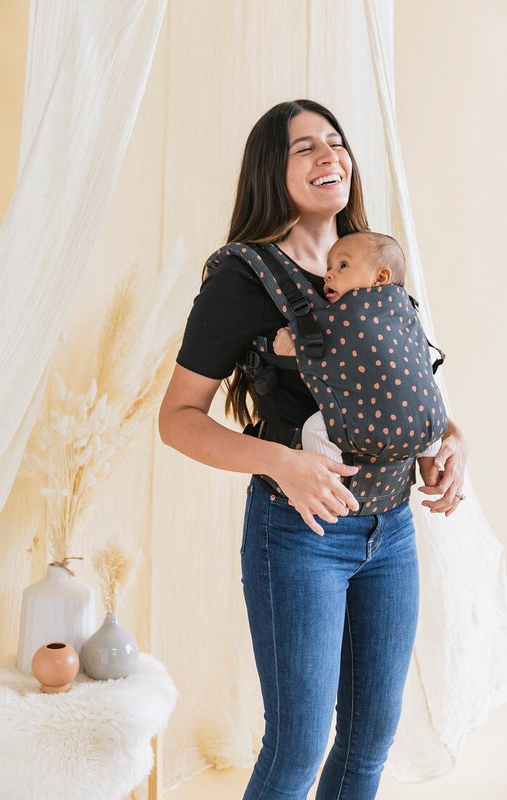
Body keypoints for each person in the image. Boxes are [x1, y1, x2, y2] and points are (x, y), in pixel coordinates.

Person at [159, 100, 468, 800]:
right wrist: (280, 460)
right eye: (305, 147)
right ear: (273, 168)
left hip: (390, 532)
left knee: (367, 747)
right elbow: (176, 418)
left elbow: (411, 392)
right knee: (296, 749)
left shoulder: (372, 259)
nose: (329, 155)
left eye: (335, 142)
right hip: (298, 538)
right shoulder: (243, 277)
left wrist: (451, 442)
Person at [273, 230, 445, 489]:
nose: (328, 275)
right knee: (427, 418)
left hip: (371, 417)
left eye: (342, 265)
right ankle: (431, 464)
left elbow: (322, 338)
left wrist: (293, 341)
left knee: (315, 430)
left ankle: (333, 482)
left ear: (381, 277)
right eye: (328, 267)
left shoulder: (349, 313)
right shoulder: (405, 310)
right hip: (426, 417)